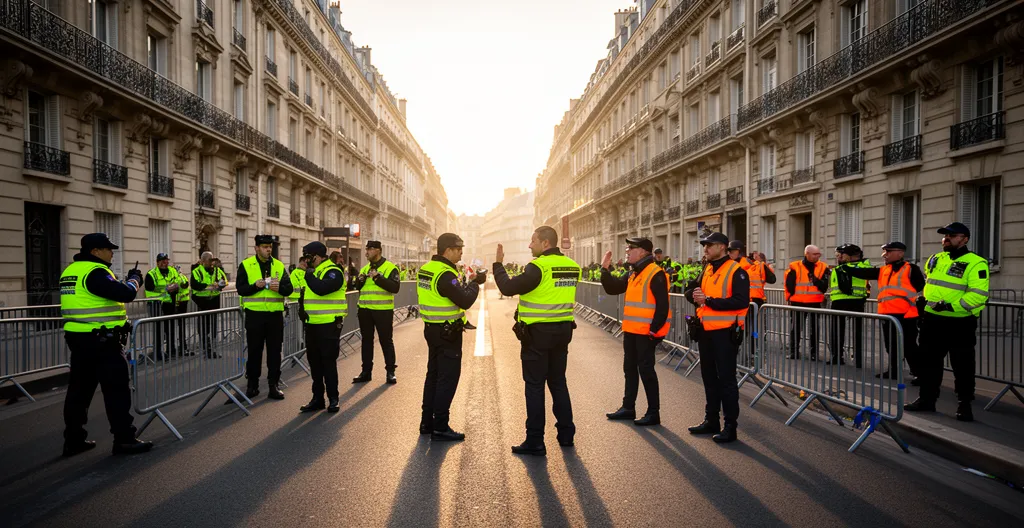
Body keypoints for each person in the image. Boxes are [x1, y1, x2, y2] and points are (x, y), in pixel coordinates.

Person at [59, 233, 152, 456]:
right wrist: (135, 279)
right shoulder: (95, 272)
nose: (112, 252)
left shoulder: (70, 271)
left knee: (79, 393)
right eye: (108, 249)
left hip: (80, 340)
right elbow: (125, 293)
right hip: (102, 341)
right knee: (117, 391)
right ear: (94, 252)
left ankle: (73, 440)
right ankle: (124, 439)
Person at [493, 226, 579, 456]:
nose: (530, 245)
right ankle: (566, 434)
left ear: (545, 244)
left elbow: (508, 287)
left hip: (538, 334)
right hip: (563, 331)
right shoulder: (573, 266)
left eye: (533, 241)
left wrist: (498, 265)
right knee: (558, 382)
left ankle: (535, 440)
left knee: (534, 385)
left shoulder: (538, 267)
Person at [906, 222, 989, 422]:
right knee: (929, 363)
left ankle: (964, 404)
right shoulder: (935, 258)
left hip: (960, 323)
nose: (946, 238)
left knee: (963, 365)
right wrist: (923, 303)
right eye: (945, 235)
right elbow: (931, 285)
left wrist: (952, 307)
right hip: (932, 320)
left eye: (952, 235)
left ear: (965, 239)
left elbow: (978, 295)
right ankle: (927, 400)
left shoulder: (976, 263)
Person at [417, 233, 486, 441]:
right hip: (448, 333)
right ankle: (440, 426)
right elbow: (464, 300)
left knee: (433, 377)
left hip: (431, 328)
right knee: (447, 379)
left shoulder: (426, 269)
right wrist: (475, 283)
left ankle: (426, 422)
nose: (461, 252)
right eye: (458, 249)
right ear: (448, 250)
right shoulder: (445, 274)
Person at [684, 233, 749, 444]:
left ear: (722, 247)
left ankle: (730, 426)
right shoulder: (707, 269)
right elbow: (691, 290)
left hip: (725, 333)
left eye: (709, 246)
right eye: (704, 246)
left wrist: (709, 300)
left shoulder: (737, 271)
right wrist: (692, 294)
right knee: (709, 378)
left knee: (726, 381)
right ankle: (711, 420)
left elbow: (741, 301)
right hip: (706, 331)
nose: (705, 249)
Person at [600, 237, 670, 426]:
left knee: (646, 371)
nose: (627, 250)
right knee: (629, 369)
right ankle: (628, 408)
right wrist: (605, 270)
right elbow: (613, 288)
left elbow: (663, 306)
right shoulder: (634, 273)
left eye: (631, 248)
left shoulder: (656, 273)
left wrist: (654, 331)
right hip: (631, 331)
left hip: (646, 333)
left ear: (644, 251)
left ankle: (653, 413)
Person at [838, 241, 925, 381]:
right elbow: (863, 272)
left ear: (900, 253)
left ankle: (919, 374)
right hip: (887, 314)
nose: (884, 255)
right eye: (885, 251)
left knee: (909, 346)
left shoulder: (911, 269)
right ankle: (894, 371)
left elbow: (920, 285)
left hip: (907, 314)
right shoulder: (884, 270)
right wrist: (845, 267)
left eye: (888, 252)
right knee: (891, 345)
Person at [236, 234, 292, 400]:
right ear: (257, 248)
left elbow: (289, 289)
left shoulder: (279, 265)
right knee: (254, 351)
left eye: (270, 247)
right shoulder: (246, 265)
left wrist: (279, 287)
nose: (269, 249)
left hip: (275, 315)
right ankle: (252, 386)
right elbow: (241, 289)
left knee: (275, 351)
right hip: (255, 315)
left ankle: (273, 385)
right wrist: (256, 285)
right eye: (265, 247)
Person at [297, 241, 350, 413]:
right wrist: (301, 310)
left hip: (329, 325)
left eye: (308, 258)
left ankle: (333, 398)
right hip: (312, 324)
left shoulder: (334, 271)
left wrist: (309, 275)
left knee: (328, 363)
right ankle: (317, 398)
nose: (306, 262)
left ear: (318, 257)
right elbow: (305, 294)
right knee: (315, 364)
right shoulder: (314, 272)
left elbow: (321, 289)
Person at [351, 240, 401, 384]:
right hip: (365, 310)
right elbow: (358, 287)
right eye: (366, 249)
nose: (366, 252)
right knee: (366, 341)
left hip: (383, 311)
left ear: (378, 250)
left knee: (386, 341)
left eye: (370, 249)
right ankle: (366, 372)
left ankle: (390, 372)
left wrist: (378, 277)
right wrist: (358, 281)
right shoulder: (365, 268)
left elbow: (395, 288)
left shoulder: (390, 268)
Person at [827, 244, 871, 366]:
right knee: (836, 331)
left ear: (850, 256)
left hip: (855, 300)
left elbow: (865, 271)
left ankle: (857, 359)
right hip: (838, 301)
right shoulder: (840, 266)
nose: (838, 257)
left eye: (841, 255)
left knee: (857, 332)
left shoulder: (861, 266)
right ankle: (836, 356)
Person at [785, 245, 830, 360]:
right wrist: (790, 298)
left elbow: (824, 287)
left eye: (818, 254)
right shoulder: (795, 266)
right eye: (815, 254)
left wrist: (815, 281)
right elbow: (789, 285)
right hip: (798, 303)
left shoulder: (823, 267)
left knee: (814, 329)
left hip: (815, 303)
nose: (818, 256)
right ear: (807, 254)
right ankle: (794, 352)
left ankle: (814, 354)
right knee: (796, 328)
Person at [145, 253, 189, 359]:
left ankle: (171, 350)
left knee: (170, 328)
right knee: (158, 330)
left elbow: (181, 282)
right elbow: (149, 288)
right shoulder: (152, 274)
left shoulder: (173, 271)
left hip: (170, 304)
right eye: (163, 261)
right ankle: (158, 352)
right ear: (158, 262)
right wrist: (166, 289)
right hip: (156, 305)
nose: (165, 263)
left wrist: (177, 286)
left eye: (166, 261)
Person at [191, 251, 224, 358]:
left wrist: (220, 283)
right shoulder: (197, 271)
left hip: (214, 301)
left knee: (213, 326)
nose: (212, 262)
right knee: (204, 326)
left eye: (212, 260)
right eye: (210, 260)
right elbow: (195, 285)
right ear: (203, 261)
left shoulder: (216, 270)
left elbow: (224, 281)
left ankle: (213, 349)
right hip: (202, 302)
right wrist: (208, 285)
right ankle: (206, 349)